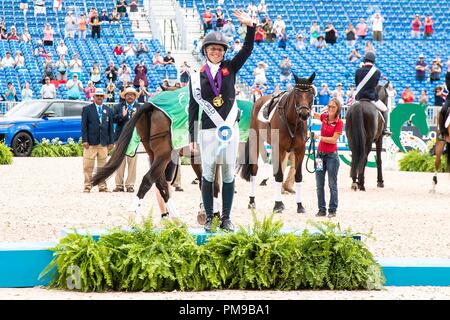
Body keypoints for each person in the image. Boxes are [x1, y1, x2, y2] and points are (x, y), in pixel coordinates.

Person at [188, 10, 255, 233]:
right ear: (206, 51)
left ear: (223, 52)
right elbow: (193, 107)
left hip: (229, 129)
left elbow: (247, 50)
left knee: (227, 173)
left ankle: (226, 218)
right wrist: (191, 138)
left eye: (219, 49)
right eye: (212, 49)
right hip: (207, 130)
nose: (216, 52)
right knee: (207, 173)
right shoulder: (197, 77)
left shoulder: (230, 68)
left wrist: (250, 27)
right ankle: (209, 217)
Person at [312, 98, 343, 217]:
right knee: (319, 184)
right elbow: (315, 115)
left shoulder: (339, 123)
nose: (330, 109)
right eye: (329, 106)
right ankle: (321, 209)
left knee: (332, 184)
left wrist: (318, 137)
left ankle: (332, 209)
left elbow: (334, 140)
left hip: (331, 157)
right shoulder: (324, 117)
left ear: (337, 109)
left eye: (333, 107)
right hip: (320, 155)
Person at [81, 88, 114, 193]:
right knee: (88, 166)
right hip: (90, 142)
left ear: (103, 97)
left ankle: (102, 186)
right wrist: (85, 140)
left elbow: (110, 127)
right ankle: (87, 186)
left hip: (103, 142)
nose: (99, 97)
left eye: (101, 96)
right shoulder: (87, 109)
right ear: (93, 97)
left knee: (103, 167)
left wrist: (111, 141)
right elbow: (84, 126)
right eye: (97, 96)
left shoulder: (108, 110)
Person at [355, 51, 390, 135]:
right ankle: (385, 129)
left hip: (359, 98)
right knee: (385, 109)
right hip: (371, 98)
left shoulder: (358, 71)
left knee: (350, 109)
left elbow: (357, 84)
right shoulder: (377, 72)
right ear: (373, 61)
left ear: (364, 60)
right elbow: (374, 85)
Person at [113, 87, 140, 193]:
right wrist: (122, 116)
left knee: (132, 163)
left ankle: (130, 185)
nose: (130, 96)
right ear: (124, 96)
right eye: (128, 94)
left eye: (132, 94)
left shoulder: (139, 107)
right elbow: (113, 119)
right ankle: (119, 185)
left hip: (134, 139)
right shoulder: (118, 107)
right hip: (120, 138)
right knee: (119, 162)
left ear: (135, 96)